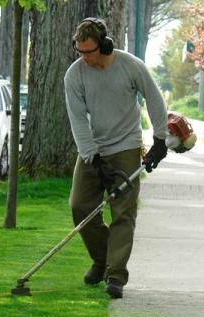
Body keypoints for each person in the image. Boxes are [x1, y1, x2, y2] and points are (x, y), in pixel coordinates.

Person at [64, 18, 168, 299]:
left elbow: (154, 98)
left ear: (105, 45)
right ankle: (102, 259)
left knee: (123, 212)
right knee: (80, 206)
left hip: (126, 146)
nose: (84, 58)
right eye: (80, 52)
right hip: (93, 148)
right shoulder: (75, 76)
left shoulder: (130, 66)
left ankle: (115, 275)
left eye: (89, 51)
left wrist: (160, 138)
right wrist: (93, 158)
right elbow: (78, 121)